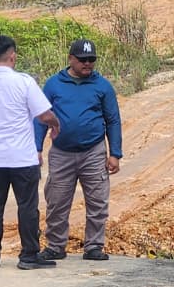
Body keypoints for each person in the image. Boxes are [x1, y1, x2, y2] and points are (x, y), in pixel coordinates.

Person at [0, 35, 61, 270]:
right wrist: (56, 124)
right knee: (27, 206)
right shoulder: (24, 82)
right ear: (13, 56)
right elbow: (44, 115)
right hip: (22, 158)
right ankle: (28, 256)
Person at [36, 39, 123, 262]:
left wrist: (115, 153)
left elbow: (113, 120)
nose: (87, 64)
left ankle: (94, 246)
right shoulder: (54, 84)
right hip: (61, 152)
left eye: (91, 59)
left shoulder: (102, 86)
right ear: (71, 59)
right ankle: (55, 246)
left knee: (97, 201)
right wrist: (36, 148)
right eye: (82, 60)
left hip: (93, 152)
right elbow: (41, 119)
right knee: (56, 201)